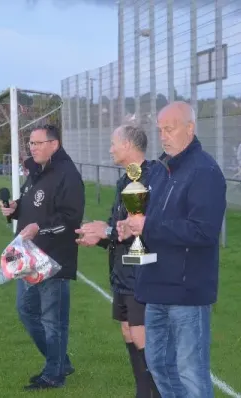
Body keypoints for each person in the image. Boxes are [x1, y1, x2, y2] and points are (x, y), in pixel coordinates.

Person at [117, 101, 227, 397]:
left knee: (190, 372)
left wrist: (147, 226)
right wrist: (129, 226)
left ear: (190, 129)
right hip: (155, 287)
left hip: (186, 292)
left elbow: (204, 231)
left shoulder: (205, 171)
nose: (163, 136)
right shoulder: (160, 169)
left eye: (170, 128)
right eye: (160, 130)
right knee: (159, 366)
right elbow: (147, 217)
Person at [74, 124, 160, 398]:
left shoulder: (151, 179)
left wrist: (108, 231)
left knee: (141, 336)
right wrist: (98, 236)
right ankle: (142, 391)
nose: (110, 149)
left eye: (114, 143)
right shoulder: (126, 180)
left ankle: (154, 393)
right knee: (127, 332)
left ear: (128, 146)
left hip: (141, 275)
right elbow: (119, 229)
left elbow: (143, 230)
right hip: (122, 274)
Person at [0, 124, 85, 391]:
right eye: (31, 144)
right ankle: (60, 362)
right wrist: (14, 209)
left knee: (52, 319)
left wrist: (40, 228)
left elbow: (70, 219)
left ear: (54, 144)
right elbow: (31, 205)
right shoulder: (37, 171)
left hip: (53, 260)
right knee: (26, 311)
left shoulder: (68, 175)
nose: (32, 148)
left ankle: (54, 374)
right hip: (29, 258)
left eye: (37, 143)